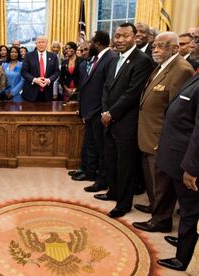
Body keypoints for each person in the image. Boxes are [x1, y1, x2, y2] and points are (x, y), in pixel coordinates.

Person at [132, 32, 194, 231]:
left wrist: (163, 138)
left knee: (161, 182)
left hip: (161, 137)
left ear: (175, 48)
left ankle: (161, 220)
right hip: (148, 133)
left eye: (162, 46)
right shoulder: (161, 65)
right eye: (154, 46)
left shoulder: (181, 70)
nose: (156, 50)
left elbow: (176, 111)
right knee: (153, 179)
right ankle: (155, 208)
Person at [94, 23, 154, 218]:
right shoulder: (114, 59)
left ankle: (124, 203)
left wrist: (111, 113)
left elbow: (132, 93)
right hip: (109, 119)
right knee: (111, 160)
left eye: (124, 36)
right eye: (117, 36)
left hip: (125, 122)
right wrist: (105, 111)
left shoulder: (142, 60)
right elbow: (106, 88)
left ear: (134, 37)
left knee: (125, 165)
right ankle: (113, 192)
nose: (119, 40)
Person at [155, 73, 199, 271]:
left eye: (196, 40)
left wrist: (192, 167)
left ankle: (183, 258)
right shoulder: (196, 75)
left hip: (188, 163)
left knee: (190, 211)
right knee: (184, 206)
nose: (192, 44)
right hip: (176, 155)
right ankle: (184, 240)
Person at [78, 31, 116, 192]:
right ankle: (90, 173)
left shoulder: (111, 58)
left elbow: (108, 89)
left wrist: (103, 111)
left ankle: (102, 181)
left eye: (92, 42)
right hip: (91, 111)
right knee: (92, 145)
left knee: (102, 149)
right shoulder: (100, 58)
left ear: (98, 43)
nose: (89, 45)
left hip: (99, 112)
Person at [21, 35, 59, 102]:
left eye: (43, 42)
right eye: (39, 42)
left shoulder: (53, 56)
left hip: (47, 93)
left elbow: (56, 72)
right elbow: (24, 72)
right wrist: (35, 80)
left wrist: (49, 80)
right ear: (36, 44)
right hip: (30, 93)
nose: (41, 44)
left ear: (47, 43)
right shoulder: (28, 56)